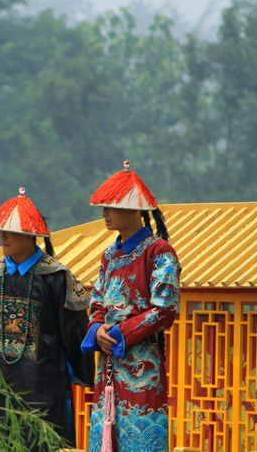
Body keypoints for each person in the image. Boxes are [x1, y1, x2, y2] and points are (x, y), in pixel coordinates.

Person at [0, 186, 94, 448]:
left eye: (11, 232)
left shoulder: (56, 276)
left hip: (43, 384)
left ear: (30, 235)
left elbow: (74, 331)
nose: (3, 237)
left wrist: (85, 377)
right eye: (1, 231)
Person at [81, 161, 181, 452]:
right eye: (104, 207)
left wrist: (120, 333)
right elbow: (97, 301)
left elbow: (164, 308)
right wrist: (97, 329)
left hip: (142, 363)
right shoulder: (109, 255)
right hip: (109, 363)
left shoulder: (159, 251)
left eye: (110, 207)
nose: (105, 214)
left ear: (133, 209)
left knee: (141, 438)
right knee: (104, 437)